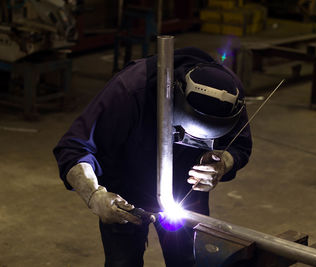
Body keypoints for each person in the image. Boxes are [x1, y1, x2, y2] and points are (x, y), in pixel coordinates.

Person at [53, 47, 252, 267]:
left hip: (186, 194)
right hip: (124, 195)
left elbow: (240, 145)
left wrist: (223, 162)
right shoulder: (130, 89)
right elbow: (73, 148)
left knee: (190, 262)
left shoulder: (228, 96)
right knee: (123, 262)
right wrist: (94, 195)